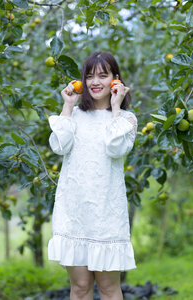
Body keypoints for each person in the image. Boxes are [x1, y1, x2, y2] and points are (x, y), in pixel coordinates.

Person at [47, 51, 138, 300]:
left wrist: (116, 107)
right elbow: (59, 147)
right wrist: (67, 105)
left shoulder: (126, 119)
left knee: (109, 289)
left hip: (106, 215)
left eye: (102, 75)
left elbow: (115, 147)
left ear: (115, 79)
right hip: (74, 213)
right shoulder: (75, 116)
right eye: (89, 76)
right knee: (80, 287)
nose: (95, 82)